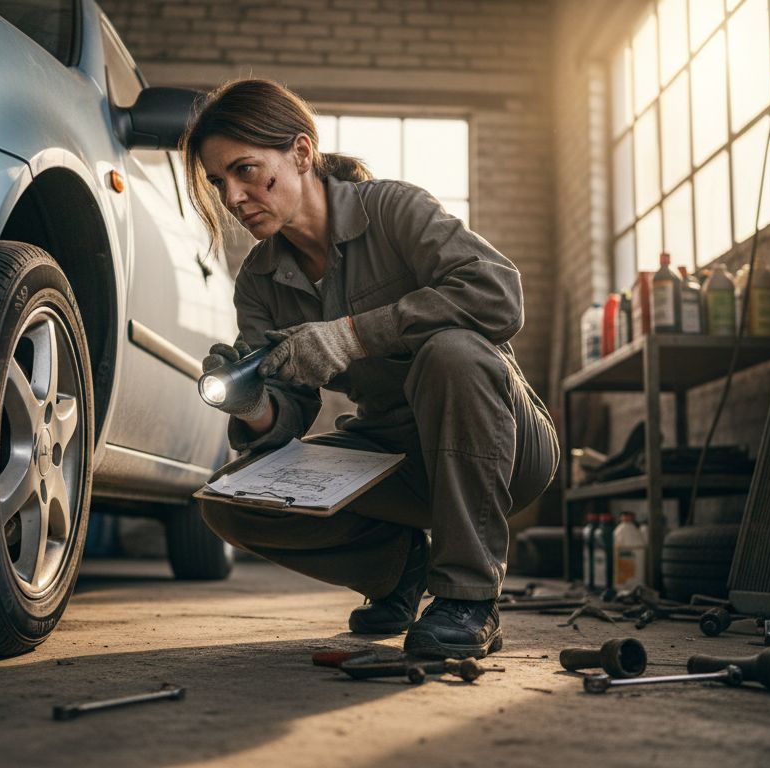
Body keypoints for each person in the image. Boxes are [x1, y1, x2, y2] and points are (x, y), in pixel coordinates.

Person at [182, 79, 558, 659]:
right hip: (394, 457)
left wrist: (352, 335)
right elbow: (288, 420)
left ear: (301, 153)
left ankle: (468, 598)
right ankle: (399, 568)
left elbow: (498, 295)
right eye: (218, 182)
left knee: (452, 352)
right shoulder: (259, 282)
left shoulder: (392, 209)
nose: (233, 196)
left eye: (246, 170)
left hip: (503, 448)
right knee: (228, 500)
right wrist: (253, 405)